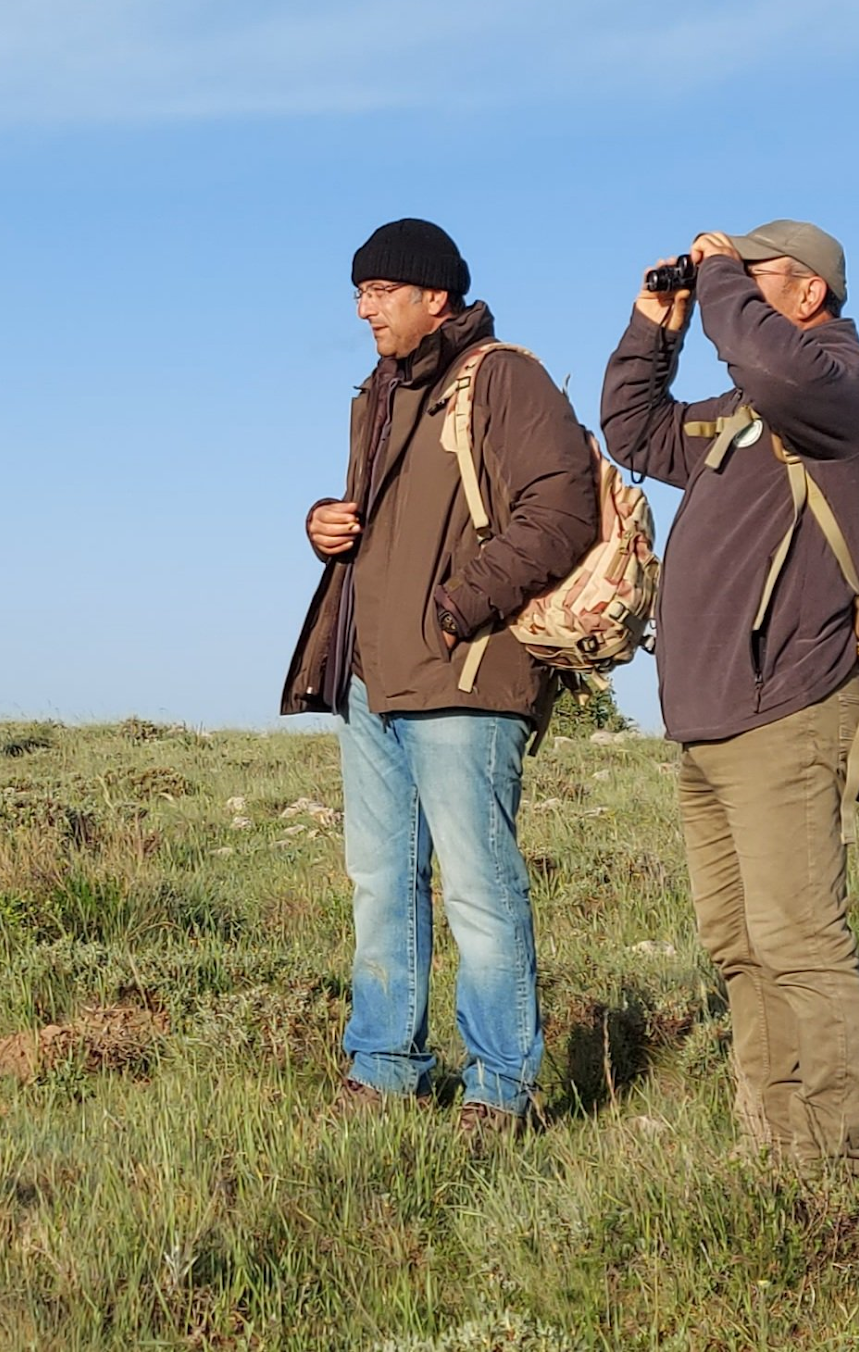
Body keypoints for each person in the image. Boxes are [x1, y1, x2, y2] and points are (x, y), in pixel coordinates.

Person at [599, 221, 859, 1174]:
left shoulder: (846, 391)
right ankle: (773, 1149)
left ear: (809, 292)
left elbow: (770, 363)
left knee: (799, 943)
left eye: (755, 275)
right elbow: (635, 430)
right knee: (738, 945)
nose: (727, 287)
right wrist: (655, 326)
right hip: (709, 720)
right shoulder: (746, 412)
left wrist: (721, 274)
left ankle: (836, 1171)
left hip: (788, 709)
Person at [282, 218, 597, 1135]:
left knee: (478, 889)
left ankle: (501, 1088)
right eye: (359, 292)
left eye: (381, 291)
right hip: (372, 677)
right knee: (382, 883)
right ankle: (383, 1066)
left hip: (464, 674)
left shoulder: (503, 377)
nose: (364, 308)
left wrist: (458, 606)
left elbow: (563, 507)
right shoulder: (381, 392)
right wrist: (324, 523)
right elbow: (395, 524)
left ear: (436, 296)